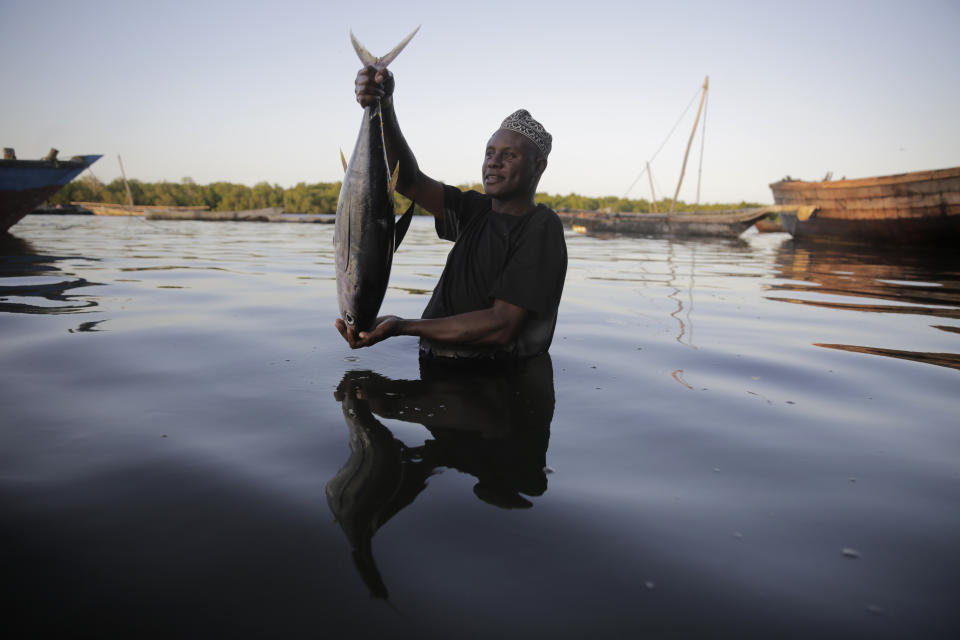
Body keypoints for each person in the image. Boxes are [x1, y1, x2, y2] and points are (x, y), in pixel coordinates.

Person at [335, 64, 567, 360]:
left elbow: (502, 325)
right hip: (442, 380)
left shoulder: (541, 228)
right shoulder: (475, 210)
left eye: (509, 155)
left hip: (497, 390)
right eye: (490, 153)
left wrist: (403, 326)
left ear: (538, 166)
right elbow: (409, 180)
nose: (493, 163)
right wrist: (384, 104)